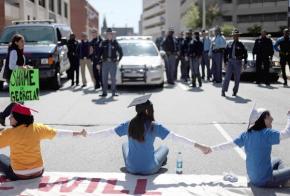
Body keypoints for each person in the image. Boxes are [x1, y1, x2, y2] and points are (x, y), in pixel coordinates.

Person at [84, 94, 204, 175]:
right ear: (147, 111)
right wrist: (200, 146)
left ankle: (136, 161)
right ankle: (157, 162)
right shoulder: (154, 126)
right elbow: (177, 138)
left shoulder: (128, 124)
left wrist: (88, 134)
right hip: (149, 169)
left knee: (125, 145)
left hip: (131, 168)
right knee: (164, 148)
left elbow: (107, 133)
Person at [197, 106, 290, 188]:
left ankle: (283, 179)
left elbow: (230, 144)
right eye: (270, 117)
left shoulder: (246, 134)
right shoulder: (267, 133)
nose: (272, 119)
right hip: (265, 181)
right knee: (280, 165)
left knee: (277, 160)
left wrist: (211, 149)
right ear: (264, 119)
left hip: (252, 178)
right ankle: (283, 181)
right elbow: (287, 133)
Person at [0, 103, 85, 181]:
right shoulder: (38, 128)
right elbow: (58, 133)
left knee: (2, 157)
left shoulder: (9, 133)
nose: (9, 118)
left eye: (11, 116)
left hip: (19, 174)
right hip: (38, 171)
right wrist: (79, 133)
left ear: (18, 118)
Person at [0, 34, 27, 126]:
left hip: (18, 77)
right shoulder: (14, 51)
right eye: (21, 41)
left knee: (19, 101)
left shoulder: (18, 51)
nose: (24, 43)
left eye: (24, 41)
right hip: (13, 78)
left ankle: (14, 120)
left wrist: (25, 67)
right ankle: (5, 116)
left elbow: (19, 65)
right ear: (16, 42)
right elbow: (12, 66)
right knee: (18, 101)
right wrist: (22, 68)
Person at [98, 28, 123, 97]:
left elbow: (121, 52)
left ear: (112, 35)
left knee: (113, 79)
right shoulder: (103, 43)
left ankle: (114, 93)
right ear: (106, 35)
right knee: (104, 78)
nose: (109, 35)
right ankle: (104, 93)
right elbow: (99, 53)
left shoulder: (115, 43)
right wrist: (98, 63)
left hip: (113, 63)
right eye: (108, 34)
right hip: (105, 63)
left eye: (110, 34)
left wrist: (118, 60)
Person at [222, 29, 247, 97]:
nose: (235, 36)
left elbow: (245, 54)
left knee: (237, 78)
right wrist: (225, 62)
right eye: (234, 35)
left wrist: (245, 62)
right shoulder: (229, 43)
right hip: (230, 62)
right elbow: (225, 53)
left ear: (238, 36)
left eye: (236, 35)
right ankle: (223, 90)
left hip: (238, 62)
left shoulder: (241, 44)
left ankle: (235, 91)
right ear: (232, 36)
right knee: (227, 76)